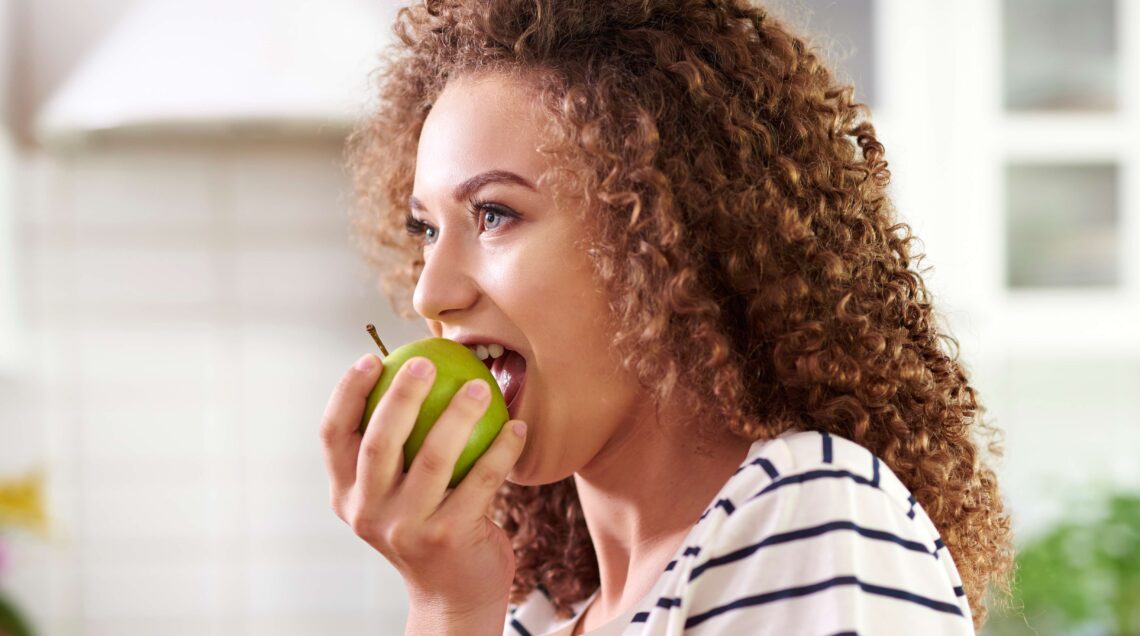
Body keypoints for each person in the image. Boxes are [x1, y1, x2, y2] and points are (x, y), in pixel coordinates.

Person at [321, 0, 1014, 634]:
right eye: (427, 230)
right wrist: (448, 606)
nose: (430, 294)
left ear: (663, 233)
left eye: (494, 214)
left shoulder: (813, 519)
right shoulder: (535, 620)